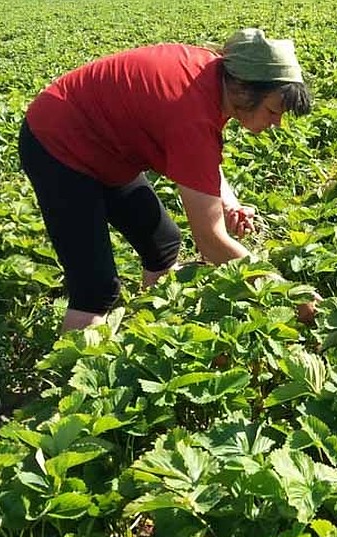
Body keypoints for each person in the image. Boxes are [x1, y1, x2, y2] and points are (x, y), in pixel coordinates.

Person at [19, 28, 314, 332]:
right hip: (56, 145)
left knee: (164, 244)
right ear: (245, 89)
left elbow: (202, 156)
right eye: (273, 110)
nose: (277, 122)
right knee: (96, 289)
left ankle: (155, 333)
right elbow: (210, 242)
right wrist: (286, 292)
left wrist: (229, 202)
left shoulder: (215, 78)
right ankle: (75, 372)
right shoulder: (192, 111)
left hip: (105, 146)